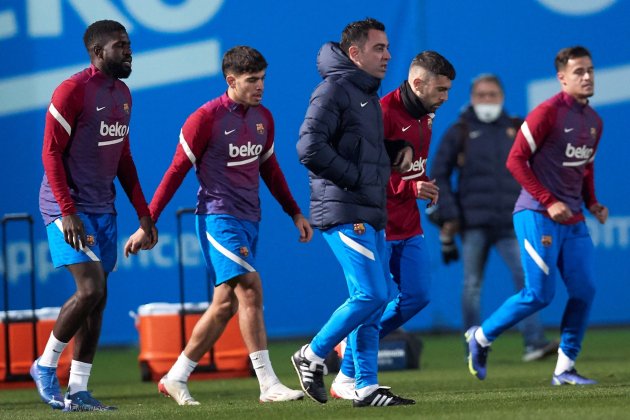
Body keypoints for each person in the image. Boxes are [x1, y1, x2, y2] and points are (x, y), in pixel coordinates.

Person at [125, 45, 312, 405]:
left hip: (250, 218)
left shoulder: (264, 118)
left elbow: (270, 170)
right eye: (252, 80)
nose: (260, 86)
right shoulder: (205, 119)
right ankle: (268, 383)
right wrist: (147, 221)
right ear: (231, 80)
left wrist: (294, 212)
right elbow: (176, 171)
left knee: (224, 305)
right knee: (251, 289)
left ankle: (176, 376)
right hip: (217, 217)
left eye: (263, 79)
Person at [31, 20, 157, 411]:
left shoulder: (123, 94)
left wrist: (144, 214)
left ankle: (80, 390)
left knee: (98, 302)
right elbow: (50, 153)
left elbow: (124, 158)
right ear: (98, 52)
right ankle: (45, 365)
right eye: (120, 46)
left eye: (129, 44)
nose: (128, 51)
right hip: (66, 209)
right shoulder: (71, 91)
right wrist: (68, 211)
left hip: (104, 209)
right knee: (91, 290)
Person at [466, 46, 607, 385]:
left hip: (572, 219)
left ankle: (564, 368)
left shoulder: (594, 121)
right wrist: (547, 199)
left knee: (585, 290)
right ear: (561, 78)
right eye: (578, 72)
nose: (587, 77)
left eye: (589, 70)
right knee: (539, 294)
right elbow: (515, 160)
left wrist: (592, 202)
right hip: (537, 213)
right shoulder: (546, 113)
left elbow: (584, 167)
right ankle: (481, 337)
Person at [292, 17, 415, 408]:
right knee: (372, 293)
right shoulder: (333, 90)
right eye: (379, 48)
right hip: (345, 209)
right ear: (355, 53)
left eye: (388, 47)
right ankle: (311, 354)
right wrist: (356, 178)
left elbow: (362, 148)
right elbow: (308, 147)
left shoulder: (364, 95)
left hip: (367, 208)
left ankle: (365, 386)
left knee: (375, 302)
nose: (388, 55)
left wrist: (393, 151)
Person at [329, 51, 455, 400]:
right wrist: (409, 187)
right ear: (418, 83)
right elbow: (363, 174)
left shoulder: (427, 116)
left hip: (410, 224)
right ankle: (352, 379)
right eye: (441, 90)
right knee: (372, 300)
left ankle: (348, 348)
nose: (445, 98)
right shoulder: (380, 114)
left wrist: (424, 184)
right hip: (377, 224)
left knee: (418, 297)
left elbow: (409, 167)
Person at [431, 74, 558, 362]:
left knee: (528, 280)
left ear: (501, 97)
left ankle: (534, 342)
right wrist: (450, 214)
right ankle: (472, 348)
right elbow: (438, 173)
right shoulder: (459, 131)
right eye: (481, 95)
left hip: (511, 221)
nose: (487, 100)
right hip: (473, 223)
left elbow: (541, 167)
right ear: (472, 98)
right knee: (472, 286)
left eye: (492, 95)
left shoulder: (517, 127)